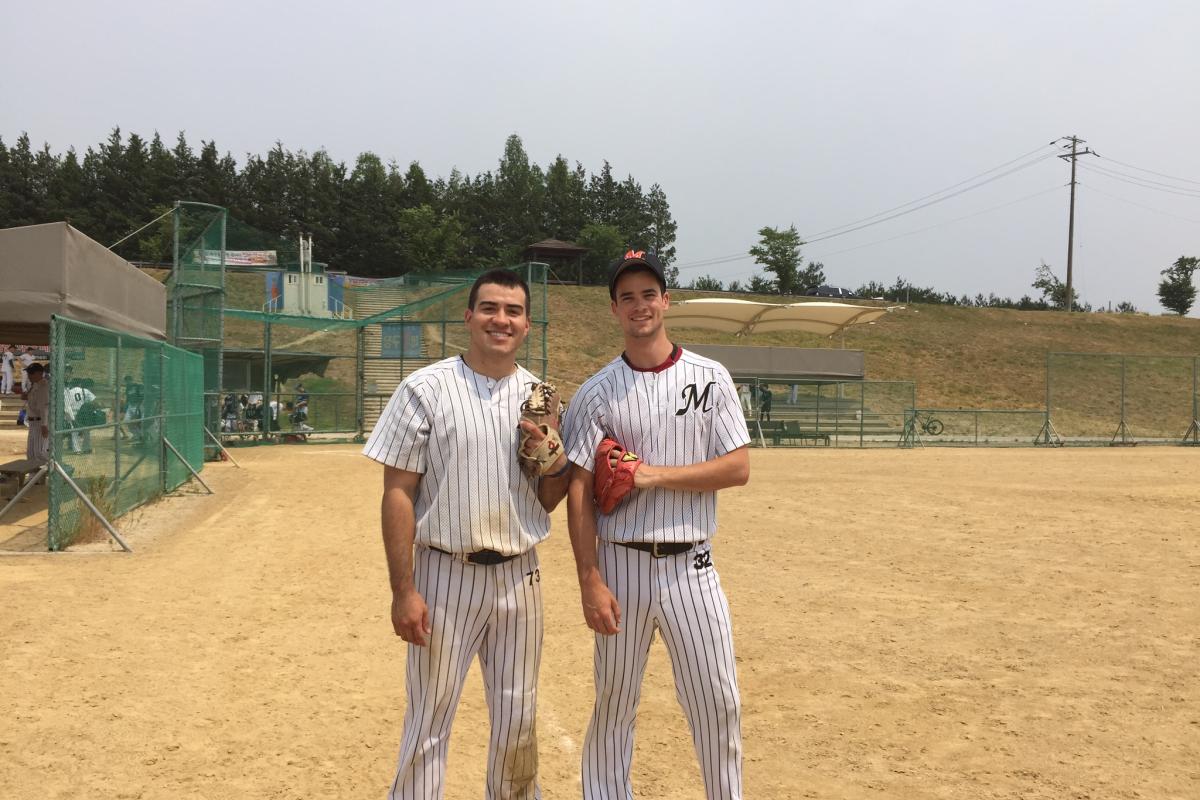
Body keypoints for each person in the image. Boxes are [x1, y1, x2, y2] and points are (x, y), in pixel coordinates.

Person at [362, 268, 570, 800]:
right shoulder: (425, 389)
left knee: (518, 718)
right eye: (490, 308)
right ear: (469, 316)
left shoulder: (538, 397)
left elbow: (546, 498)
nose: (501, 320)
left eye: (514, 312)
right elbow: (398, 493)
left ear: (526, 325)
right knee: (429, 719)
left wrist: (553, 463)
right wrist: (403, 591)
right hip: (444, 576)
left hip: (521, 577)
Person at [561, 250, 751, 800]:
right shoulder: (597, 391)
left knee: (717, 701)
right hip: (619, 563)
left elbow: (737, 467)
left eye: (649, 294)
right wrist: (588, 578)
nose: (639, 305)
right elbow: (577, 488)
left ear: (666, 301)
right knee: (615, 702)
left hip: (693, 564)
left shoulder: (709, 377)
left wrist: (651, 475)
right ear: (614, 310)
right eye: (627, 297)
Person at [23, 362, 50, 464]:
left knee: (39, 452)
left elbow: (44, 408)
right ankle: (33, 477)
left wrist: (44, 425)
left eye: (31, 373)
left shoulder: (43, 386)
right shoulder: (35, 385)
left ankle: (54, 469)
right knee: (31, 452)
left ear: (39, 373)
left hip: (40, 422)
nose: (29, 375)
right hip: (33, 422)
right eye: (29, 373)